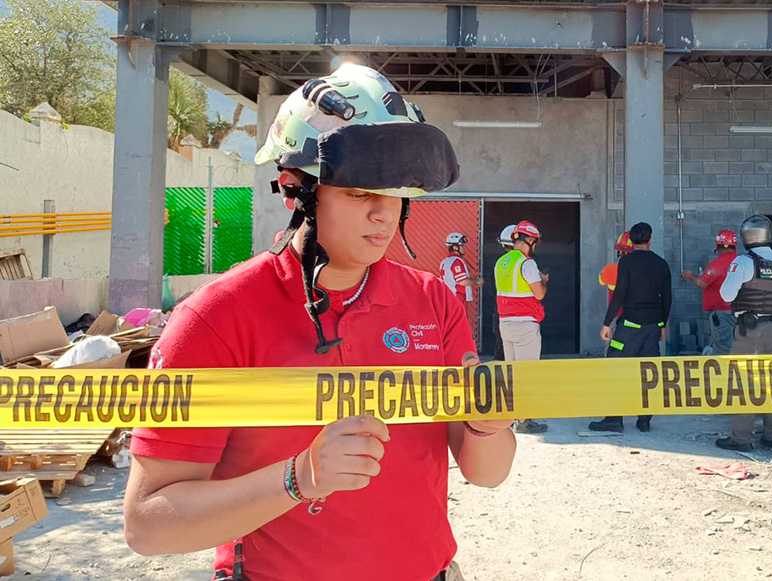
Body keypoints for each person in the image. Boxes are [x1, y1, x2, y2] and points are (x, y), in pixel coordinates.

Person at [122, 63, 516, 581]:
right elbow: (147, 525)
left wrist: (488, 427)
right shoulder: (217, 317)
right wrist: (300, 477)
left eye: (394, 191)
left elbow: (485, 474)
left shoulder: (432, 302)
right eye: (359, 192)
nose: (384, 213)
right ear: (297, 191)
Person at [716, 215, 772, 452]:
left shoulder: (743, 263)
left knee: (744, 383)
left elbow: (726, 295)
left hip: (749, 330)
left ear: (746, 237)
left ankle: (741, 439)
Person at [589, 222, 671, 433]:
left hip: (629, 327)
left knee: (616, 369)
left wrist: (607, 323)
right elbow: (667, 298)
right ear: (651, 240)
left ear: (631, 242)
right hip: (653, 327)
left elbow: (619, 295)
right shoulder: (661, 264)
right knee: (648, 373)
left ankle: (614, 420)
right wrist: (663, 325)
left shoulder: (626, 264)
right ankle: (644, 420)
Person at [494, 220, 549, 434]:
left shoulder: (502, 262)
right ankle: (524, 421)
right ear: (530, 240)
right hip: (525, 324)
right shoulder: (527, 263)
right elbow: (539, 294)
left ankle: (512, 417)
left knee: (512, 372)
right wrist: (544, 280)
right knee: (527, 374)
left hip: (505, 323)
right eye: (535, 242)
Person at [681, 229, 738, 356]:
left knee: (723, 349)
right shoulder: (742, 262)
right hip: (740, 313)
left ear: (718, 247)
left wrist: (690, 276)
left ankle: (725, 375)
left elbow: (702, 283)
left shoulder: (718, 264)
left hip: (723, 314)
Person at [598, 232, 634, 347]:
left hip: (615, 317)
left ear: (619, 252)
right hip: (636, 317)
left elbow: (601, 280)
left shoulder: (610, 269)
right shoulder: (642, 271)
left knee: (615, 351)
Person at [491, 225, 516, 361]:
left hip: (502, 313)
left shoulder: (499, 264)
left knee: (503, 353)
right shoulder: (525, 263)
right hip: (521, 317)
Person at [439, 232, 484, 306]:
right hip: (457, 298)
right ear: (455, 247)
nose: (463, 248)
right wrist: (477, 280)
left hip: (449, 298)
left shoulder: (445, 261)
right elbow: (463, 281)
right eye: (462, 246)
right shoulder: (456, 261)